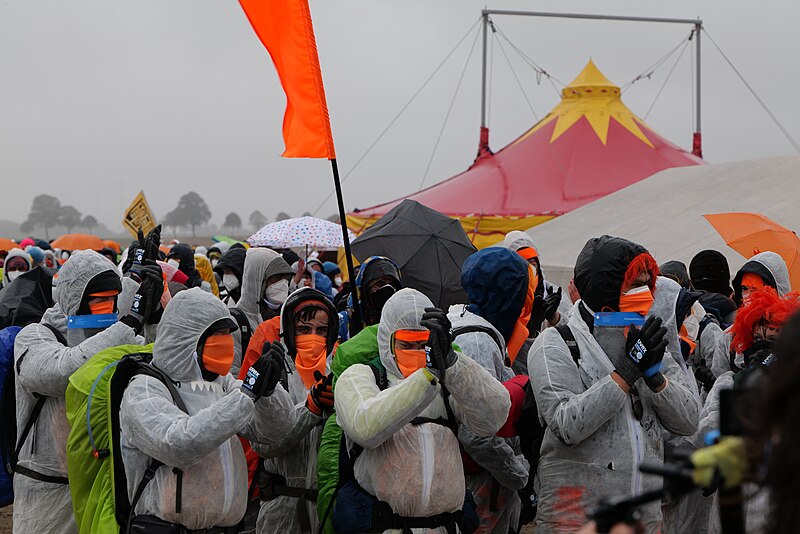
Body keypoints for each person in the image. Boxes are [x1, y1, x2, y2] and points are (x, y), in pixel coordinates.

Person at [527, 235, 699, 533]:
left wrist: (655, 379)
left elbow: (688, 420)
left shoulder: (647, 336)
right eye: (635, 284)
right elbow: (567, 424)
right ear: (606, 287)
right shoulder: (557, 343)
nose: (645, 292)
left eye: (648, 283)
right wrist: (626, 373)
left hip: (642, 521)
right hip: (575, 520)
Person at [334, 288, 511, 533]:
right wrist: (426, 377)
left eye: (423, 343)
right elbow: (366, 427)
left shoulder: (446, 384)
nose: (416, 351)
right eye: (407, 344)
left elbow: (494, 416)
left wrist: (452, 362)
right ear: (387, 341)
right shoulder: (360, 377)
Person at [12, 250, 162, 534]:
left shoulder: (115, 337)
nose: (107, 308)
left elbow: (151, 366)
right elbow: (66, 372)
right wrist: (129, 324)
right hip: (48, 491)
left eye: (113, 300)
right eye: (98, 300)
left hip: (102, 481)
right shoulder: (34, 337)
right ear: (74, 298)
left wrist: (151, 319)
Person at [119, 288, 283, 532]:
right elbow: (177, 444)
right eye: (218, 334)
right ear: (187, 337)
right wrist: (247, 394)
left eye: (228, 333)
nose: (227, 341)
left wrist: (267, 394)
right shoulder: (144, 390)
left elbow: (273, 432)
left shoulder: (220, 382)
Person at [695, 288, 799, 533]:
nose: (765, 349)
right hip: (731, 515)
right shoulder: (729, 382)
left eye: (774, 343)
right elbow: (704, 438)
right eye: (759, 341)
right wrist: (741, 393)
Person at [449, 247, 533, 532]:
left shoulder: (461, 322)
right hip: (480, 488)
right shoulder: (477, 342)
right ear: (506, 295)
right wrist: (520, 476)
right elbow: (479, 434)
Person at [251, 288, 339, 534]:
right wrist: (310, 409)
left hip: (329, 510)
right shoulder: (276, 376)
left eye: (321, 331)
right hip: (282, 511)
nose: (313, 337)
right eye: (303, 330)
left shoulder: (342, 373)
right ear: (289, 331)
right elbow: (265, 443)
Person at [231, 248, 293, 375]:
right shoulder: (235, 323)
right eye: (275, 278)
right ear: (257, 281)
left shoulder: (286, 319)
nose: (282, 284)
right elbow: (231, 376)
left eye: (285, 278)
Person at [337, 256, 402, 342]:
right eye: (380, 284)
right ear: (365, 287)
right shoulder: (343, 322)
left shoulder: (402, 322)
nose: (387, 288)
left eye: (392, 284)